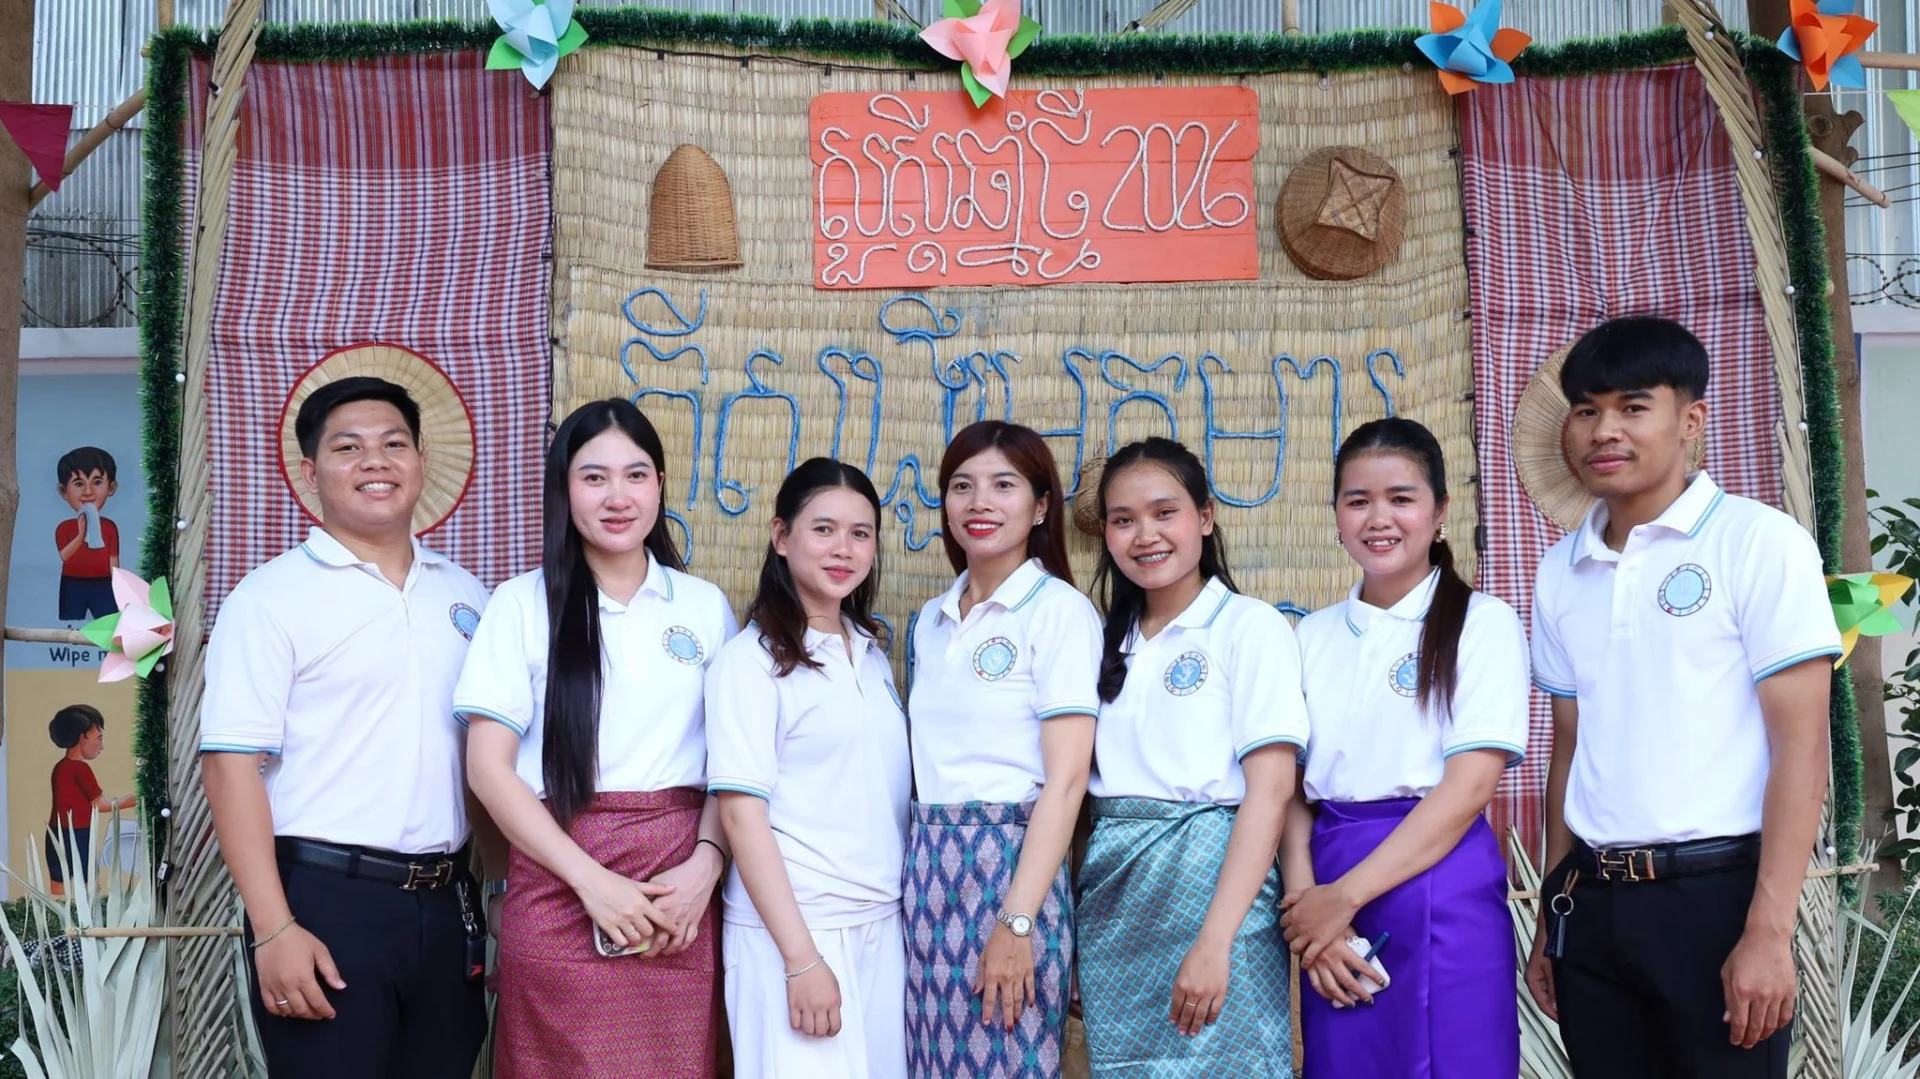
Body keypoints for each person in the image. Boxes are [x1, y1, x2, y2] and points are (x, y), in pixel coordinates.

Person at [1523, 317, 1841, 1078]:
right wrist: (1551, 913)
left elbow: (1802, 748)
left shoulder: (1758, 542)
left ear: (1690, 420)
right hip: (1591, 901)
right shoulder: (1560, 569)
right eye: (1588, 410)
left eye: (1633, 407)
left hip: (1718, 898)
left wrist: (1768, 930)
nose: (1605, 430)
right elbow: (1570, 748)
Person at [198, 376, 492, 1078]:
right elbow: (229, 768)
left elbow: (487, 760)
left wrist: (502, 896)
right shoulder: (269, 598)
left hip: (449, 901)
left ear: (421, 461)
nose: (375, 461)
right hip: (326, 901)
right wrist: (273, 927)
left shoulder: (468, 595)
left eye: (394, 444)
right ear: (310, 473)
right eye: (348, 448)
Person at [457, 399, 736, 1078]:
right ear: (563, 488)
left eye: (636, 475)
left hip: (678, 898)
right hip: (560, 885)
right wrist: (593, 883)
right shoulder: (521, 605)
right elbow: (488, 769)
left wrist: (705, 867)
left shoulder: (703, 606)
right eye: (594, 477)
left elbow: (736, 763)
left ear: (660, 485)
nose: (618, 496)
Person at [1278, 417, 1528, 1076]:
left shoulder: (1483, 623)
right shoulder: (1308, 638)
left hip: (1440, 878)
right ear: (1336, 514)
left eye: (1401, 498)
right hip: (1329, 884)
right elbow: (1291, 792)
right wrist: (1310, 910)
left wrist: (1344, 898)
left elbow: (1470, 786)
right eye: (1358, 500)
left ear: (1440, 511)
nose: (1378, 518)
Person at [1076, 437, 1306, 1078]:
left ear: (1204, 517)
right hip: (1115, 903)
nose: (1145, 535)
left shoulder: (1248, 627)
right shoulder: (1102, 641)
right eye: (1123, 520)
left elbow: (1271, 791)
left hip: (1215, 894)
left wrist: (1217, 940)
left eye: (1164, 512)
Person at [705, 458, 911, 1079]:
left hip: (880, 920)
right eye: (823, 529)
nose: (843, 548)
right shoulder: (751, 662)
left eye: (860, 533)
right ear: (781, 536)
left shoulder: (868, 653)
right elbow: (742, 817)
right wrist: (801, 958)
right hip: (797, 930)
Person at [905, 421, 1099, 1079]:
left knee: (1009, 1057)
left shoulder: (1059, 612)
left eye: (1003, 485)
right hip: (927, 876)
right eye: (962, 486)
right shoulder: (931, 621)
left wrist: (1017, 922)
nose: (979, 502)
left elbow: (1067, 782)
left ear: (1041, 505)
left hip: (1011, 869)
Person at [45, 704, 137, 895]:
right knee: (88, 886)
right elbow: (101, 805)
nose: (101, 746)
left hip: (55, 833)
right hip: (79, 835)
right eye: (99, 738)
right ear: (82, 739)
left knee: (59, 885)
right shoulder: (81, 769)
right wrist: (128, 802)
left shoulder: (60, 767)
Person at [54, 446, 120, 621]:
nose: (88, 492)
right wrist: (80, 535)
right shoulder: (65, 527)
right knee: (70, 623)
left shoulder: (109, 527)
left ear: (111, 488)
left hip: (104, 583)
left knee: (108, 622)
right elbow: (65, 556)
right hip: (72, 582)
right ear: (63, 491)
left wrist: (119, 588)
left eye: (97, 482)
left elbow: (113, 561)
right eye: (78, 484)